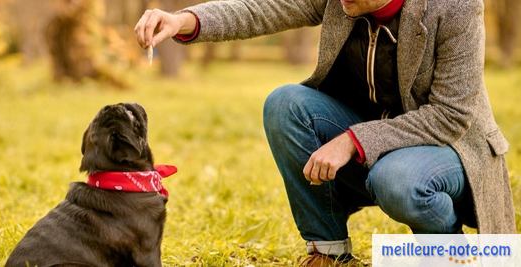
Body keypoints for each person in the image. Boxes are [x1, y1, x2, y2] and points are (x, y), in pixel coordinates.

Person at [135, 0, 516, 265]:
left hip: (448, 146)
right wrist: (183, 21)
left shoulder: (457, 7)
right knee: (286, 104)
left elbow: (451, 115)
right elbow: (261, 9)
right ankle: (329, 251)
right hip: (372, 132)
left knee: (396, 179)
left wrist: (354, 141)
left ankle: (448, 256)